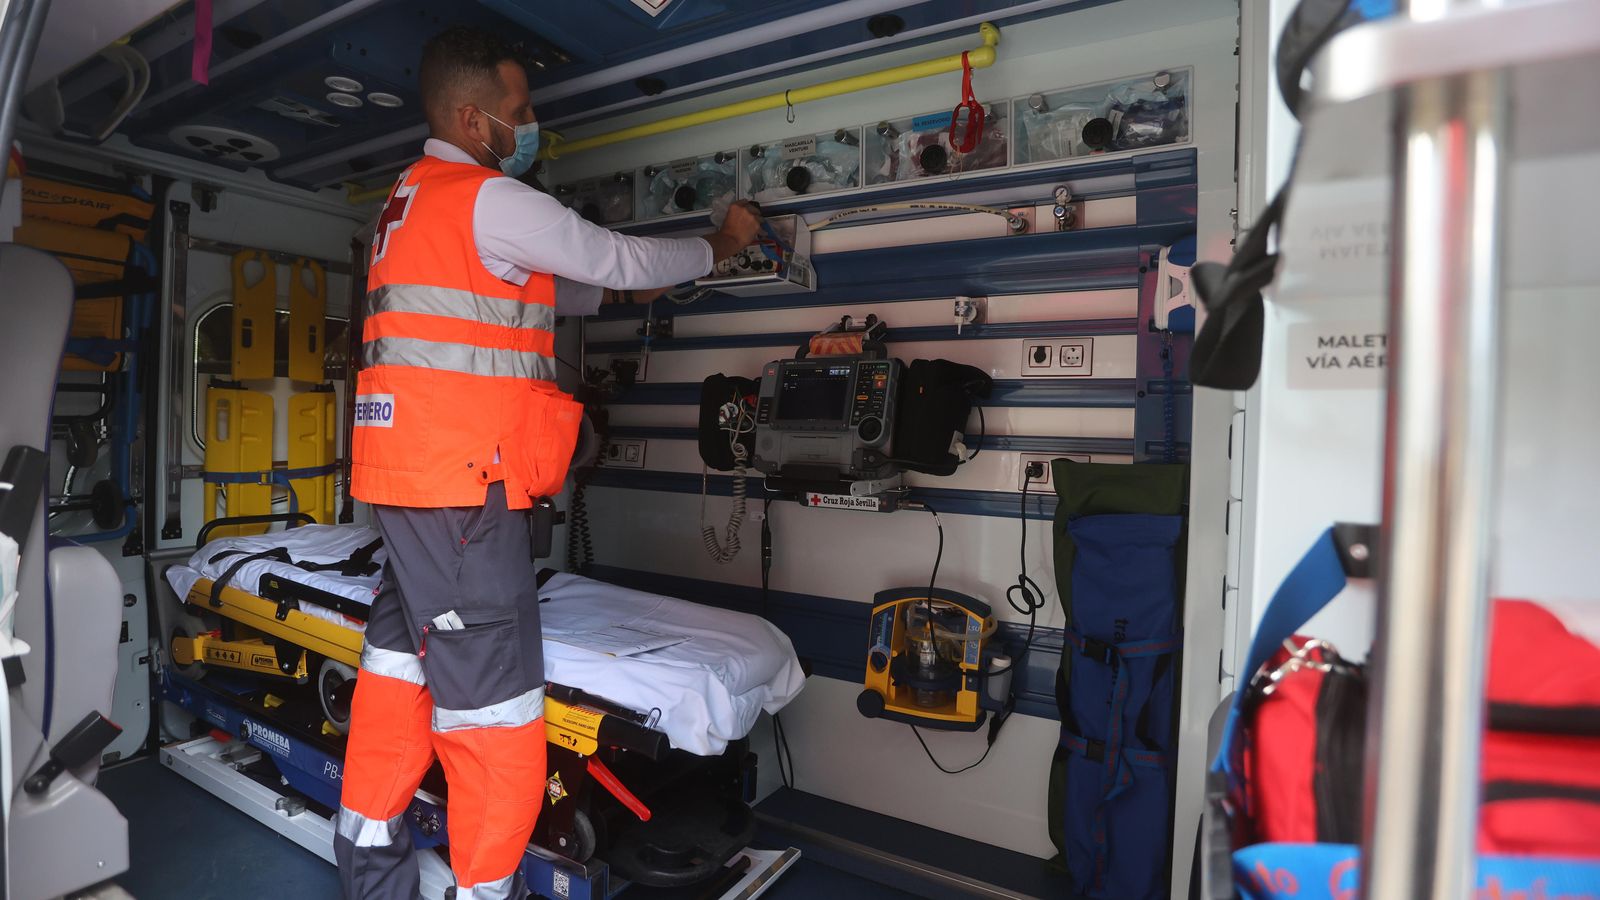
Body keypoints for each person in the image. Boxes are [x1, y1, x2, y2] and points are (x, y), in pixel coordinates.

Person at [335, 25, 762, 900]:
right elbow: (616, 258)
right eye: (520, 110)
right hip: (462, 492)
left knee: (396, 678)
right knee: (494, 715)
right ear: (472, 118)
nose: (530, 126)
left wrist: (643, 279)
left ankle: (372, 875)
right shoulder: (485, 198)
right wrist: (724, 243)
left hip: (407, 485)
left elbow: (587, 284)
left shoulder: (408, 204)